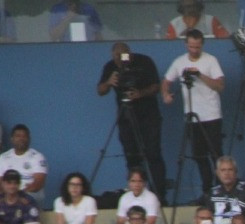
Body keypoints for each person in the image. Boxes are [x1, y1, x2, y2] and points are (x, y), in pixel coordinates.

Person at [161, 29, 225, 197]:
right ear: (186, 45)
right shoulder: (179, 62)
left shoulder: (211, 60)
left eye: (197, 47)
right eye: (191, 46)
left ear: (202, 45)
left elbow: (220, 86)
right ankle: (207, 189)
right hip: (191, 116)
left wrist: (200, 75)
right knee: (199, 155)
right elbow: (166, 81)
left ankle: (221, 189)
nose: (194, 50)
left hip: (211, 115)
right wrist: (166, 94)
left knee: (216, 154)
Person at [97, 43, 166, 196]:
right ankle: (137, 193)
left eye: (124, 56)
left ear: (130, 53)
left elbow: (156, 86)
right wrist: (109, 82)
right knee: (131, 155)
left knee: (153, 154)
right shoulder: (110, 67)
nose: (121, 61)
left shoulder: (144, 61)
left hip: (148, 115)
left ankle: (159, 194)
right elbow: (100, 90)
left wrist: (140, 93)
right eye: (117, 58)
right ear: (112, 56)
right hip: (126, 116)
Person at [0, 124, 48, 208]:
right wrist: (6, 194)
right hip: (6, 194)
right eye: (18, 136)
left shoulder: (37, 157)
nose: (21, 139)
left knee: (21, 201)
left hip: (29, 194)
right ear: (12, 139)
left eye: (24, 136)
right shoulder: (3, 157)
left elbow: (38, 183)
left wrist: (17, 195)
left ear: (29, 139)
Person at [164, 0, 229, 39]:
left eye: (193, 6)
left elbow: (225, 39)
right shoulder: (174, 24)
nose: (191, 9)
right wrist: (189, 29)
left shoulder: (211, 21)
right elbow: (169, 46)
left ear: (199, 6)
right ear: (181, 8)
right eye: (188, 7)